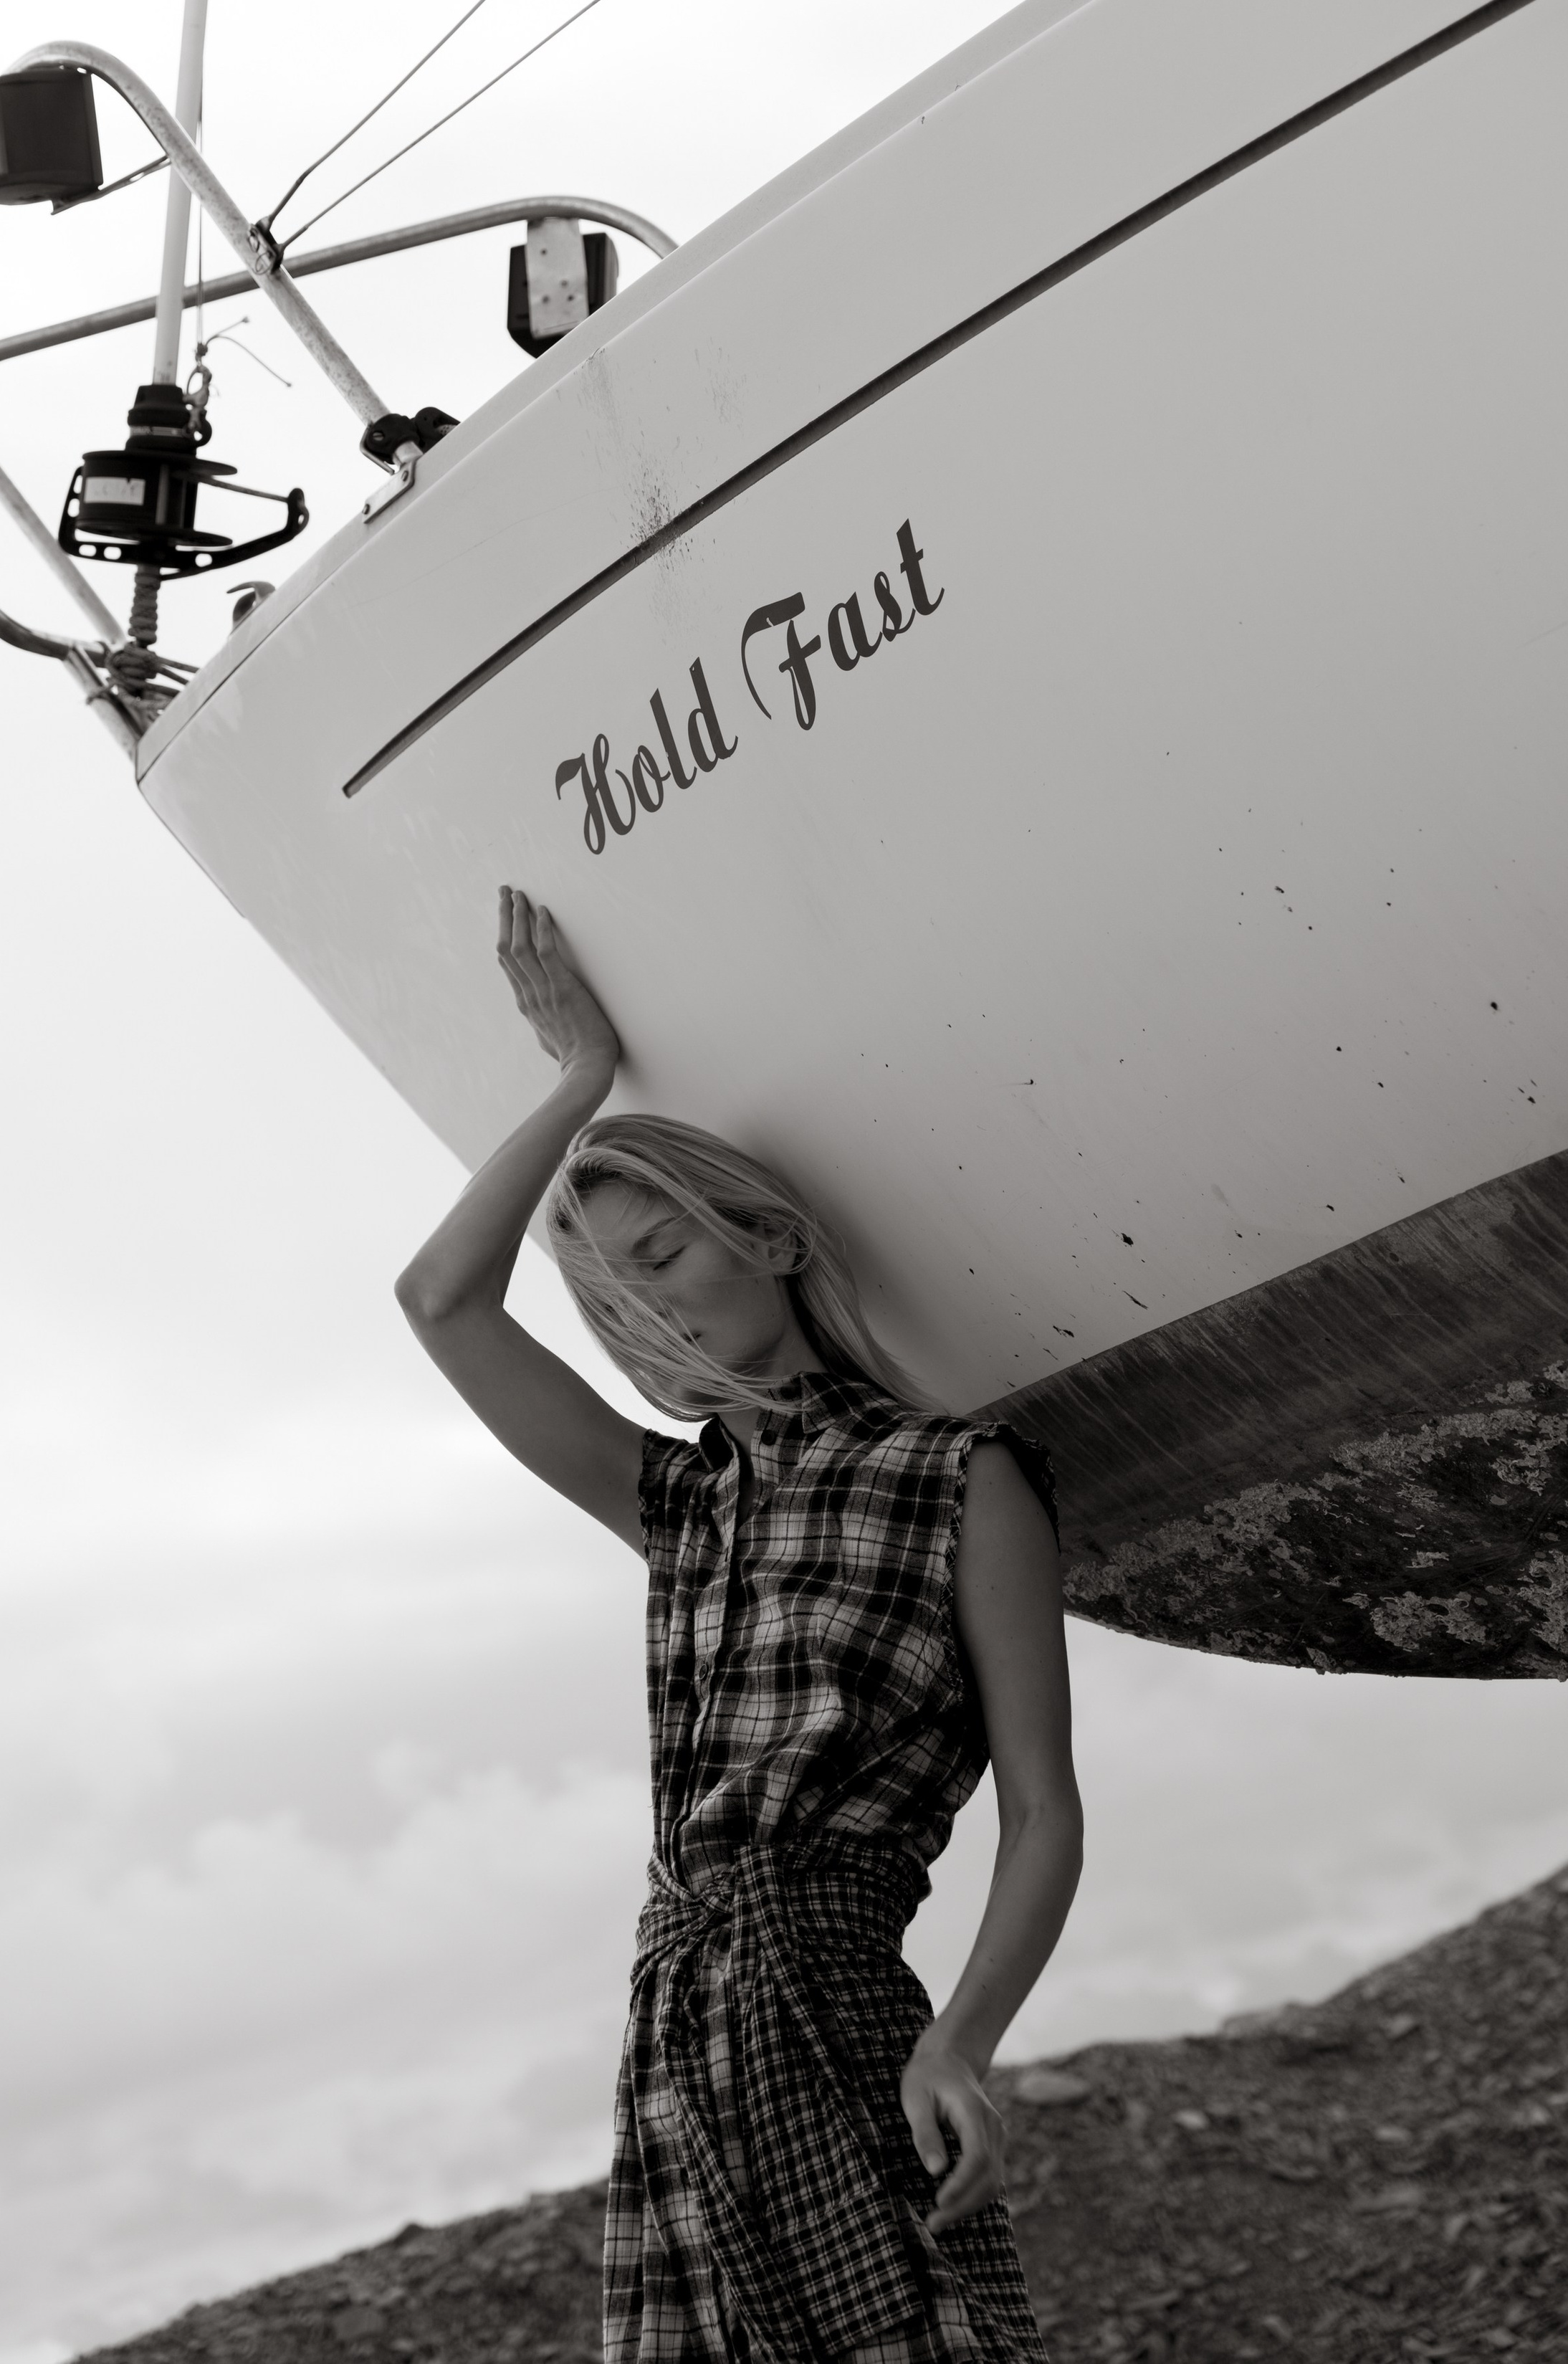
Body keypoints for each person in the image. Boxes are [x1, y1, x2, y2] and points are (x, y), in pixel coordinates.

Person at [396, 887, 1084, 2364]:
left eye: (659, 1259)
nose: (643, 1313)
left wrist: (963, 2040)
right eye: (606, 1302)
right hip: (670, 2035)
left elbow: (1042, 1808)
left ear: (767, 1237)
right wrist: (575, 1083)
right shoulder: (672, 1502)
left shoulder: (958, 1476)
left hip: (835, 2004)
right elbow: (443, 1301)